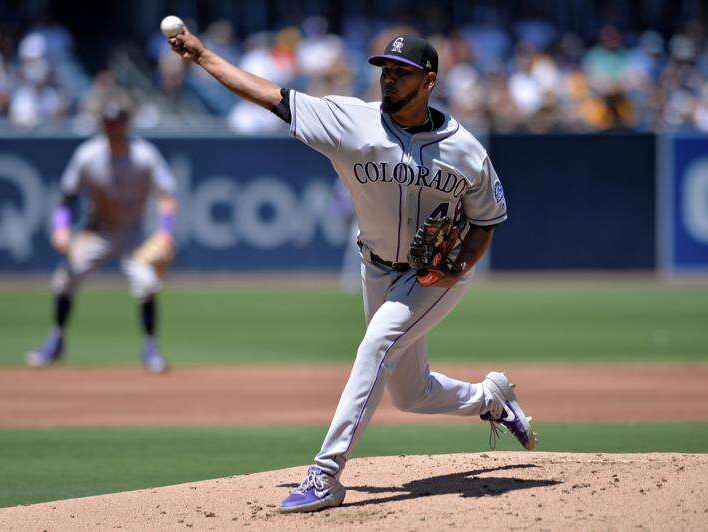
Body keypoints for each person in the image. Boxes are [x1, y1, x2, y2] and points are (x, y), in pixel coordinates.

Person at [168, 28, 537, 512]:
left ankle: (325, 474)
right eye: (385, 70)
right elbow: (269, 95)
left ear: (429, 81)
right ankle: (490, 399)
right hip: (376, 268)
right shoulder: (349, 120)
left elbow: (487, 222)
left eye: (401, 73)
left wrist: (457, 266)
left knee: (378, 342)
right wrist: (202, 56)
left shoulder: (466, 150)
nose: (388, 79)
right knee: (411, 393)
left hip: (435, 278)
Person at [26, 95, 178, 374]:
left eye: (118, 122)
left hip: (134, 232)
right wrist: (60, 228)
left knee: (145, 283)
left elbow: (166, 195)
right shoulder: (88, 155)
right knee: (65, 278)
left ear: (127, 124)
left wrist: (166, 231)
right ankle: (56, 340)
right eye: (109, 122)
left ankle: (151, 348)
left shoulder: (145, 155)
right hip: (99, 230)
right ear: (103, 124)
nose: (114, 127)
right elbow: (67, 197)